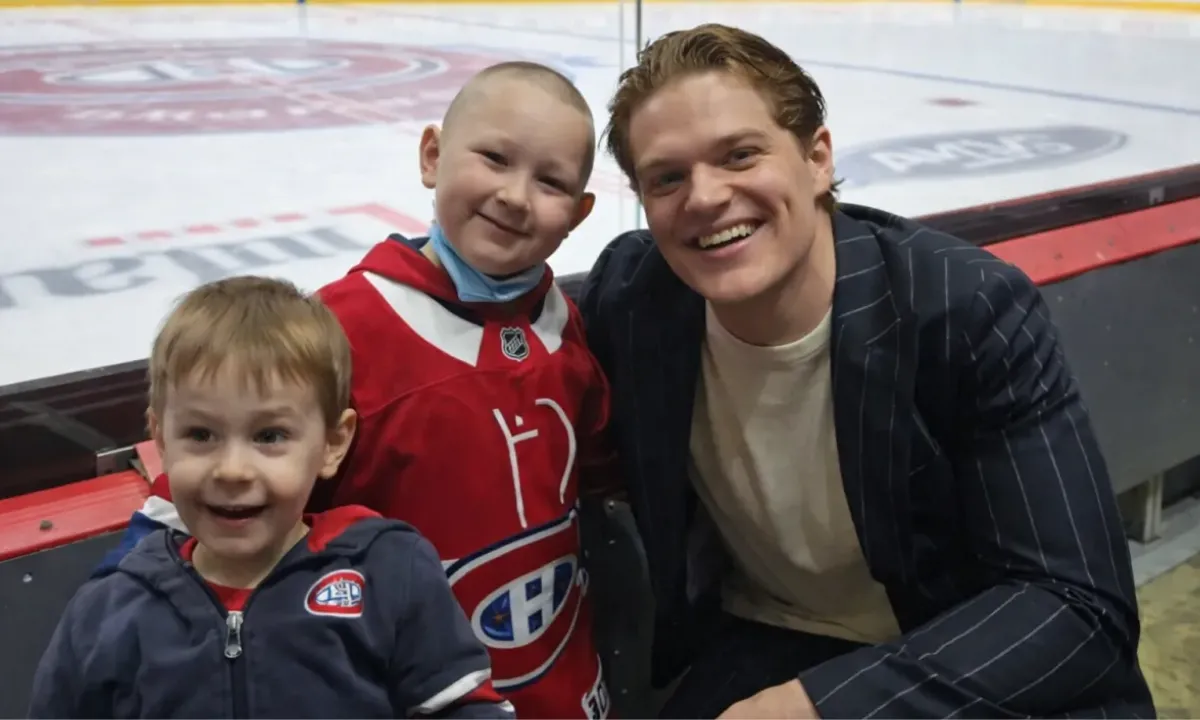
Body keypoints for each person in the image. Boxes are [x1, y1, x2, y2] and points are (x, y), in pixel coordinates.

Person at [579, 22, 1155, 719]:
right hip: (767, 642)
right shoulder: (634, 297)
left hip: (966, 659)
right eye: (667, 177)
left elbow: (1076, 606)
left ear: (818, 158)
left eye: (739, 155)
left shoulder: (962, 307)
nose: (703, 197)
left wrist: (822, 707)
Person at [95, 62, 615, 719]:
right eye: (493, 158)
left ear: (580, 211)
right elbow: (205, 496)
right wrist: (113, 600)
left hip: (564, 691)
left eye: (550, 181)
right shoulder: (342, 328)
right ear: (432, 156)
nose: (514, 195)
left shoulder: (565, 325)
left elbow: (597, 477)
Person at [30, 276, 513, 719]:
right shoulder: (109, 610)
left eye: (269, 435)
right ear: (160, 438)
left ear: (332, 443)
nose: (233, 470)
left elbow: (462, 710)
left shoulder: (388, 573)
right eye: (200, 434)